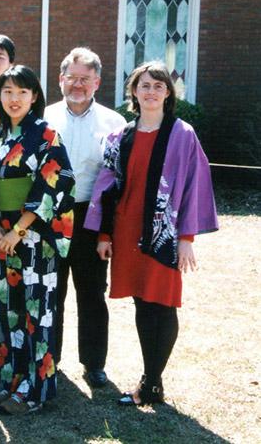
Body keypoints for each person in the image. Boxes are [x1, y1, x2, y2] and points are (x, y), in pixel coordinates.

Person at [85, 61, 218, 406]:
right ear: (133, 91)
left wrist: (186, 238)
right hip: (128, 230)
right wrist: (104, 234)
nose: (151, 92)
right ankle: (151, 381)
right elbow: (107, 185)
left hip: (163, 234)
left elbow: (194, 186)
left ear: (169, 93)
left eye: (159, 86)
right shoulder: (121, 136)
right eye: (144, 85)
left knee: (164, 302)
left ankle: (152, 381)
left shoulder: (182, 134)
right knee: (143, 303)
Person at [0, 65, 75, 415]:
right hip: (0, 239)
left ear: (34, 96)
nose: (14, 98)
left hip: (35, 237)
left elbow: (55, 182)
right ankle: (8, 381)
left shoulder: (46, 134)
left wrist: (18, 230)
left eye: (22, 92)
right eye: (7, 91)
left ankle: (34, 391)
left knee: (35, 312)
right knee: (5, 309)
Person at [43, 48, 126, 388]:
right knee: (52, 291)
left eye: (85, 79)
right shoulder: (44, 117)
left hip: (92, 216)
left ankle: (94, 363)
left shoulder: (114, 122)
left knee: (92, 292)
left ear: (97, 82)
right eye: (72, 78)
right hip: (52, 215)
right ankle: (51, 359)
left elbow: (119, 179)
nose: (77, 85)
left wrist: (109, 231)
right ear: (61, 79)